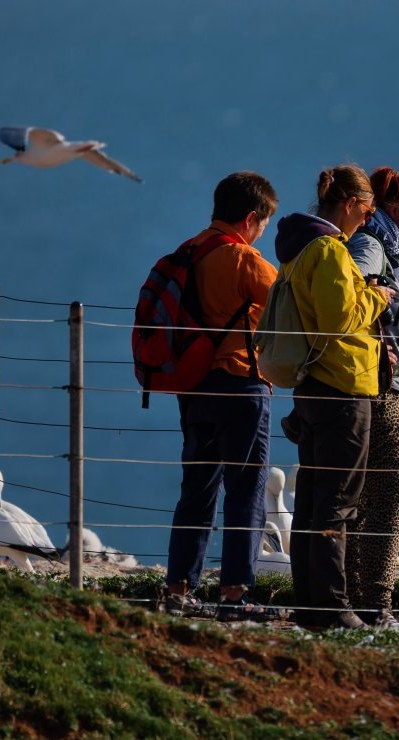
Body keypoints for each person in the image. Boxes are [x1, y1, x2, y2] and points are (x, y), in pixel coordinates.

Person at [273, 164, 393, 629]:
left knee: (314, 500)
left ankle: (312, 602)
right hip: (342, 385)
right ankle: (332, 606)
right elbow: (341, 318)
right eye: (364, 212)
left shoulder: (299, 249)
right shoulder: (328, 250)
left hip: (315, 386)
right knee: (338, 502)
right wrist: (376, 295)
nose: (365, 222)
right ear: (348, 205)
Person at [165, 171, 281, 622]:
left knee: (196, 488)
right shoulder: (245, 260)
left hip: (194, 386)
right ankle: (235, 593)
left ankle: (179, 585)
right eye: (264, 225)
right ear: (252, 218)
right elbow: (288, 308)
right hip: (241, 383)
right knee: (247, 489)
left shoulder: (188, 252)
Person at [344, 169, 399, 625]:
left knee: (362, 496)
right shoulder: (372, 246)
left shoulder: (384, 246)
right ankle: (375, 602)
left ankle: (353, 594)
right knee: (396, 494)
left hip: (382, 385)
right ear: (393, 208)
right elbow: (347, 301)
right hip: (382, 388)